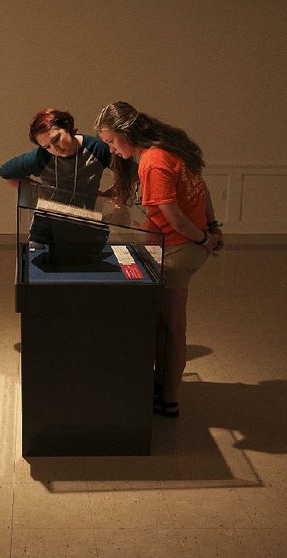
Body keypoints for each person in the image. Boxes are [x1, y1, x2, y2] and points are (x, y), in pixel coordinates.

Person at [94, 101, 223, 417]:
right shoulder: (170, 145)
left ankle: (168, 400)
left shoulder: (152, 162)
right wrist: (212, 227)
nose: (111, 148)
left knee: (172, 326)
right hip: (187, 241)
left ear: (127, 133)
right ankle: (160, 387)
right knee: (164, 324)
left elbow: (176, 220)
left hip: (180, 247)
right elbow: (201, 191)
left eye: (112, 141)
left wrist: (206, 239)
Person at [0, 108, 136, 211]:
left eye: (56, 139)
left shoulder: (97, 148)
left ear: (67, 127)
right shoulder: (41, 156)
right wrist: (39, 190)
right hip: (51, 221)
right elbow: (6, 173)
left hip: (89, 220)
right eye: (47, 146)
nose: (55, 149)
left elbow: (133, 173)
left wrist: (107, 196)